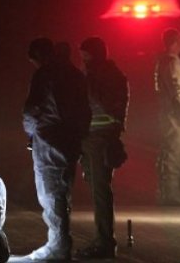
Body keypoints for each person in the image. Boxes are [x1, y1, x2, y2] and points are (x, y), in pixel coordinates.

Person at [23, 38, 91, 261]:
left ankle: (59, 245)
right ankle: (61, 242)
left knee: (50, 193)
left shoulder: (44, 74)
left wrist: (31, 134)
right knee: (64, 192)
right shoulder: (77, 75)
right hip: (70, 140)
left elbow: (32, 109)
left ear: (40, 56)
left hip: (48, 139)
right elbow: (85, 111)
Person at [75, 37, 129, 259]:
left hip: (99, 138)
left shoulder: (106, 76)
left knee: (100, 191)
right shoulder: (107, 74)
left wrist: (88, 84)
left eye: (86, 55)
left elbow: (107, 105)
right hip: (93, 136)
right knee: (98, 188)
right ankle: (103, 238)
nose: (83, 59)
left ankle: (104, 241)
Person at [154, 28, 180, 206]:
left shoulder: (161, 62)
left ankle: (165, 191)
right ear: (176, 42)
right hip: (176, 115)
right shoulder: (172, 63)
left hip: (167, 112)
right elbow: (179, 90)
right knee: (175, 153)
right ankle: (171, 193)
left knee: (167, 152)